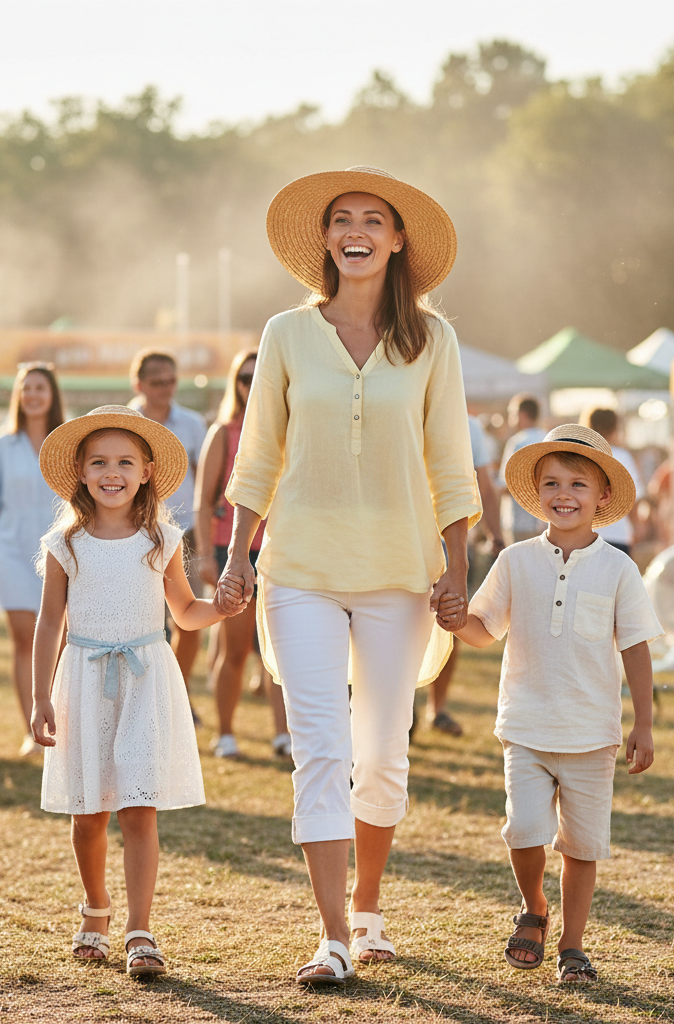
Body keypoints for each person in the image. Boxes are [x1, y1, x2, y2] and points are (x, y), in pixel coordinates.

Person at [218, 166, 481, 985]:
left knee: (383, 755)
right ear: (326, 240)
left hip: (402, 574)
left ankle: (369, 910)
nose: (356, 229)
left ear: (397, 239)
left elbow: (450, 461)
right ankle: (331, 936)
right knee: (321, 749)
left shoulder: (434, 340)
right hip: (299, 568)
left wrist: (458, 568)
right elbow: (257, 452)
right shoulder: (286, 334)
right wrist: (236, 558)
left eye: (373, 218)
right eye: (342, 219)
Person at [443, 424, 661, 985]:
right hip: (527, 723)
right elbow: (484, 628)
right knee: (523, 830)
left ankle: (573, 946)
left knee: (582, 847)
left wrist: (644, 723)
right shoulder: (516, 560)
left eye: (578, 485)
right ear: (537, 491)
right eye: (553, 483)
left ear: (602, 497)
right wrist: (451, 618)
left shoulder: (618, 569)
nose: (564, 495)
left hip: (593, 732)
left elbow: (635, 648)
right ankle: (534, 905)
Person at [30, 405, 236, 975]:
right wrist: (40, 696)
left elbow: (187, 613)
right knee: (89, 812)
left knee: (139, 808)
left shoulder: (161, 538)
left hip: (146, 679)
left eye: (124, 461)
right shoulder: (64, 542)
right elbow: (50, 622)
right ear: (80, 472)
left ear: (146, 470)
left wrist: (221, 607)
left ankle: (139, 929)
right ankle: (95, 908)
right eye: (98, 462)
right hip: (83, 677)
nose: (111, 472)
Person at [194, 349, 291, 759]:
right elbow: (203, 502)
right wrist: (205, 556)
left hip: (283, 549)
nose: (251, 386)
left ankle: (282, 734)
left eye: (258, 378)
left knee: (281, 651)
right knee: (233, 648)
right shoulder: (224, 432)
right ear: (235, 383)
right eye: (244, 379)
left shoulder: (289, 429)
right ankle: (227, 733)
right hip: (230, 548)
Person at [0, 363, 63, 754]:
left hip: (60, 553)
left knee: (58, 644)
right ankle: (32, 732)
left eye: (40, 387)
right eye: (26, 388)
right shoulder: (1, 444)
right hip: (10, 550)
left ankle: (59, 723)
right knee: (23, 641)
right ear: (18, 395)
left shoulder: (67, 440)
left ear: (52, 393)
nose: (33, 395)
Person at [129, 349, 208, 720]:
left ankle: (177, 692)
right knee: (142, 625)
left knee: (189, 621)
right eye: (157, 382)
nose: (165, 389)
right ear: (139, 384)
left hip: (184, 535)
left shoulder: (192, 424)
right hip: (133, 534)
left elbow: (207, 480)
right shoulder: (124, 421)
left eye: (171, 381)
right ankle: (149, 700)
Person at [424, 414, 505, 737]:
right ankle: (404, 706)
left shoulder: (468, 426)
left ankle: (437, 707)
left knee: (450, 621)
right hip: (401, 539)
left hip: (451, 541)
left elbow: (483, 485)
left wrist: (495, 534)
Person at [581, 409, 644, 557]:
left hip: (584, 534)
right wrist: (635, 528)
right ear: (614, 428)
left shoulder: (581, 456)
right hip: (618, 533)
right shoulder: (622, 457)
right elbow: (633, 499)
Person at [499, 394, 546, 545]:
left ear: (522, 415)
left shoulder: (517, 442)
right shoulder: (548, 439)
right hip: (547, 520)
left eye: (512, 414)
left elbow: (505, 484)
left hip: (519, 521)